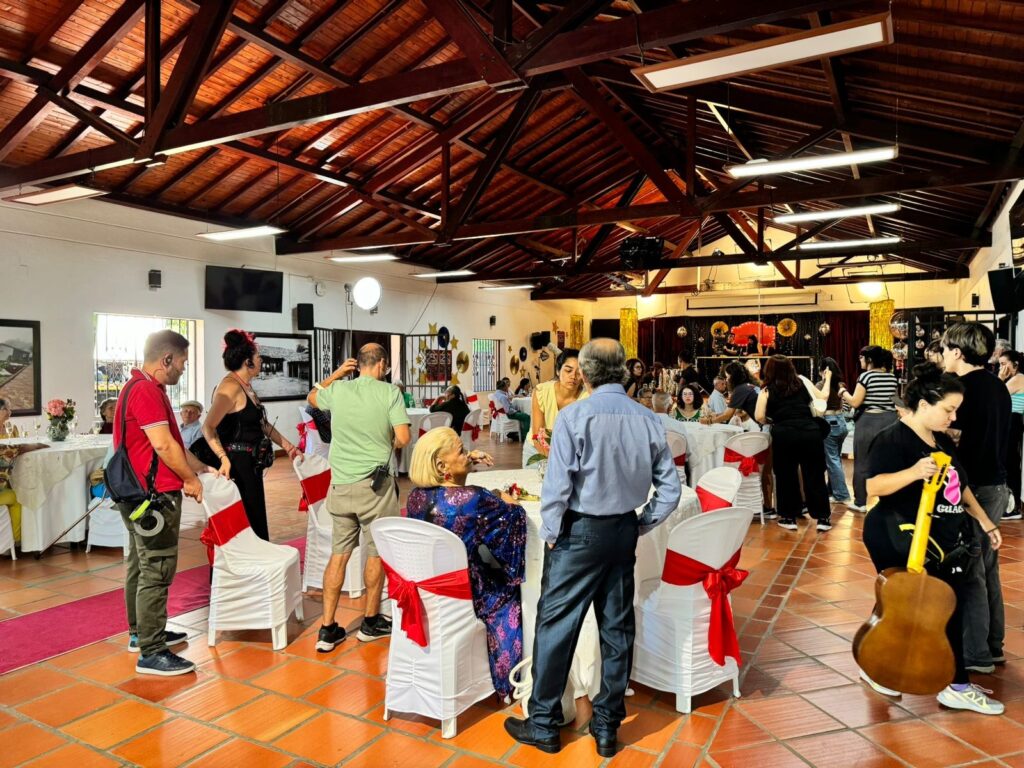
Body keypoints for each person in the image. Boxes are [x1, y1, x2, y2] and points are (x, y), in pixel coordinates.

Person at [504, 339, 681, 758]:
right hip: (622, 530)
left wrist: (551, 531)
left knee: (557, 624)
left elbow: (557, 488)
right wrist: (642, 522)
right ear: (623, 371)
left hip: (578, 532)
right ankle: (606, 726)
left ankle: (544, 723)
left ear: (582, 373)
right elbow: (670, 489)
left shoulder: (574, 417)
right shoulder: (648, 419)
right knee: (617, 629)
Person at [860, 363, 1004, 715]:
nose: (953, 417)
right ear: (923, 405)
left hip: (940, 537)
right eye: (948, 409)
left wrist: (986, 522)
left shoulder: (938, 439)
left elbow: (961, 487)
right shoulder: (892, 439)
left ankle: (881, 667)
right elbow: (872, 487)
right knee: (933, 605)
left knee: (907, 605)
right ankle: (955, 685)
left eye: (955, 410)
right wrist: (913, 472)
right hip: (898, 533)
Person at [113, 330, 212, 676]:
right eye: (182, 363)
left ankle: (142, 633)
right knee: (157, 567)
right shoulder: (146, 392)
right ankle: (152, 651)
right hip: (153, 497)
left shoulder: (135, 388)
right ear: (166, 359)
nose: (183, 370)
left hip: (138, 493)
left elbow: (174, 446)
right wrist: (189, 478)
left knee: (139, 566)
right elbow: (164, 446)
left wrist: (205, 467)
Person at [406, 428, 525, 699]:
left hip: (427, 587)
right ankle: (508, 682)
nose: (466, 453)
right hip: (466, 590)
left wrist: (466, 458)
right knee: (508, 595)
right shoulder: (475, 499)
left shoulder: (415, 497)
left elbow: (453, 487)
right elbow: (513, 518)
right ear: (441, 465)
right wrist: (508, 501)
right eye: (461, 450)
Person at [307, 344, 410, 650]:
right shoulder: (390, 393)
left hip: (340, 486)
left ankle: (327, 629)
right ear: (381, 365)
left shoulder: (338, 390)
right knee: (375, 552)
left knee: (339, 555)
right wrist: (383, 439)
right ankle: (370, 621)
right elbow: (403, 438)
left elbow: (312, 397)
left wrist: (337, 373)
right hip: (374, 487)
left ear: (358, 364)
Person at [941, 322, 1010, 674]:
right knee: (987, 568)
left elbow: (950, 435)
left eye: (945, 349)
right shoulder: (1000, 386)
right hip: (997, 484)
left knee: (972, 573)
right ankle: (993, 645)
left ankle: (977, 655)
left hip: (974, 487)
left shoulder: (961, 389)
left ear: (957, 351)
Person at [202, 330, 303, 541]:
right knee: (244, 521)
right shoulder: (229, 388)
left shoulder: (245, 386)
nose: (261, 360)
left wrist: (288, 447)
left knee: (255, 516)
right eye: (258, 357)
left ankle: (257, 567)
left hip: (250, 464)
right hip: (236, 464)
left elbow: (262, 424)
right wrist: (223, 458)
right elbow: (208, 427)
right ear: (247, 361)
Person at [756, 356, 832, 530]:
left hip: (784, 434)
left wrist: (772, 420)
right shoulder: (802, 381)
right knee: (815, 475)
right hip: (810, 432)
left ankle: (789, 518)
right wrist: (827, 379)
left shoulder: (767, 389)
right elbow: (823, 396)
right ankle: (823, 519)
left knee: (786, 476)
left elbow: (759, 415)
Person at [841, 345, 899, 512]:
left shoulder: (866, 377)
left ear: (870, 360)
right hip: (890, 420)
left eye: (861, 357)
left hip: (869, 421)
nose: (859, 360)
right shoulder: (891, 377)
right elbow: (894, 401)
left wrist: (842, 391)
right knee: (887, 462)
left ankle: (860, 502)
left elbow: (855, 402)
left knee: (862, 462)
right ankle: (887, 499)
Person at [526, 348, 587, 467]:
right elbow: (537, 434)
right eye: (568, 370)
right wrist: (554, 462)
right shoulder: (541, 391)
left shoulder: (587, 397)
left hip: (571, 455)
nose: (573, 376)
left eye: (579, 372)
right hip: (536, 449)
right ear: (558, 371)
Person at [0, 397, 46, 541]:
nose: (10, 411)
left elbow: (16, 445)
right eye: (6, 408)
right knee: (18, 497)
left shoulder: (11, 428)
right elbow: (12, 449)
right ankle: (16, 540)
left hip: (6, 474)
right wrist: (36, 446)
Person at [817, 357, 852, 505]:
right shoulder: (840, 384)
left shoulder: (820, 385)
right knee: (835, 458)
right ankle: (831, 490)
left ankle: (842, 495)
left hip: (828, 423)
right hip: (841, 422)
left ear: (823, 371)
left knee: (832, 460)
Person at [999, 349, 1024, 521]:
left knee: (1010, 463)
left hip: (1012, 423)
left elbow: (995, 396)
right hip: (1011, 423)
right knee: (1009, 463)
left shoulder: (1018, 378)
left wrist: (1000, 378)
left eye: (1003, 363)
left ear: (1015, 364)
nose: (1001, 367)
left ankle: (1013, 507)